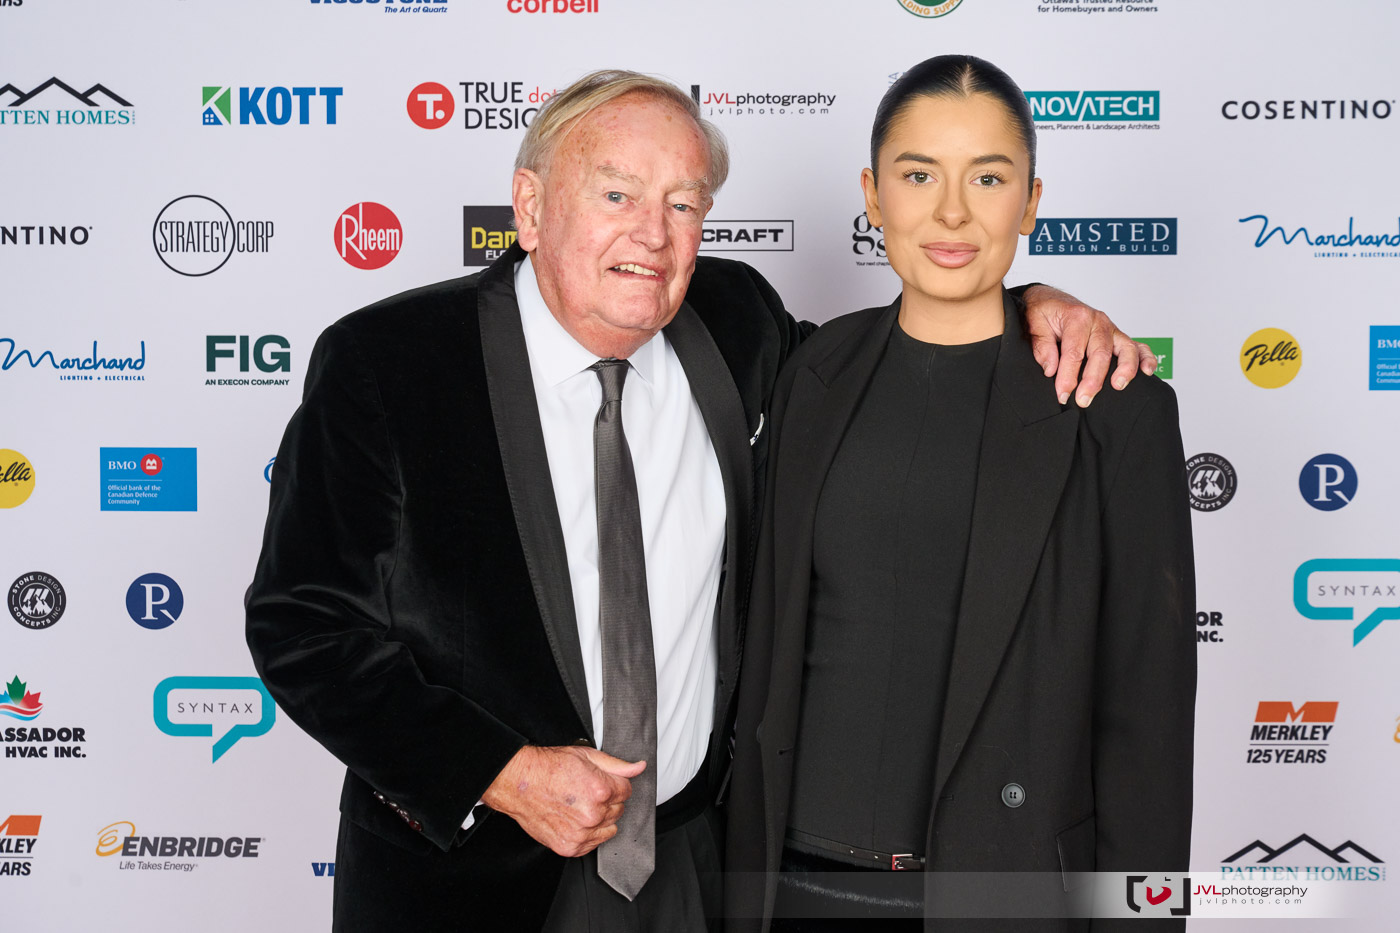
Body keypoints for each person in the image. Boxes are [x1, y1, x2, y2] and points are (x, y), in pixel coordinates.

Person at [244, 69, 1155, 933]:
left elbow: (902, 367)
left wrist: (1029, 300)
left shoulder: (736, 321)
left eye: (684, 204)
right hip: (473, 877)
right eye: (617, 195)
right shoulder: (389, 363)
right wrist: (502, 772)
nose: (653, 234)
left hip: (692, 870)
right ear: (529, 206)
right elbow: (302, 626)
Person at [724, 55, 1196, 932]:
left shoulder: (1113, 409)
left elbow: (1148, 722)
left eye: (988, 177)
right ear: (872, 196)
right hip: (792, 889)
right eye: (918, 175)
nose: (951, 211)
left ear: (1031, 200)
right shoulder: (808, 372)